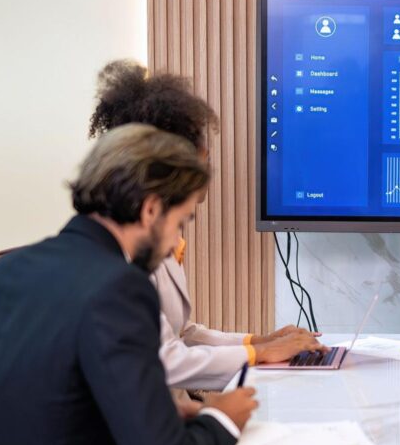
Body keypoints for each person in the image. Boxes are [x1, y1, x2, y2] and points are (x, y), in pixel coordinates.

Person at [0, 125, 257, 445]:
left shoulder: (4, 271)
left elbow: (57, 395)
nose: (175, 244)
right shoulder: (119, 287)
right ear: (150, 210)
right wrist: (223, 420)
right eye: (180, 222)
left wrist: (173, 414)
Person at [88, 60, 322, 391]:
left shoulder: (158, 234)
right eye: (203, 157)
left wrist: (260, 342)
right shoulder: (119, 254)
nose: (208, 165)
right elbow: (161, 360)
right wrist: (259, 354)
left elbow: (179, 336)